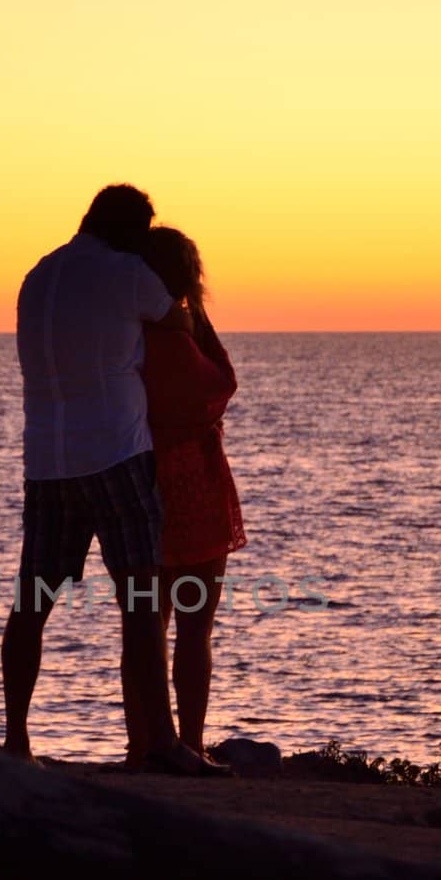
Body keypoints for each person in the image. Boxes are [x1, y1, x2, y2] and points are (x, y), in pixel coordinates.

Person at [1, 184, 228, 775]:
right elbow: (180, 318)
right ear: (130, 230)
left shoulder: (38, 275)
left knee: (31, 602)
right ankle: (160, 745)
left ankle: (16, 739)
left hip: (47, 460)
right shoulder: (129, 273)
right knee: (142, 602)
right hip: (117, 454)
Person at [122, 226, 246, 766]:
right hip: (192, 480)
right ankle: (188, 744)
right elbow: (221, 384)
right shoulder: (183, 331)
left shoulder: (129, 332)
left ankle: (144, 745)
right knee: (194, 630)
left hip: (139, 479)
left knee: (145, 626)